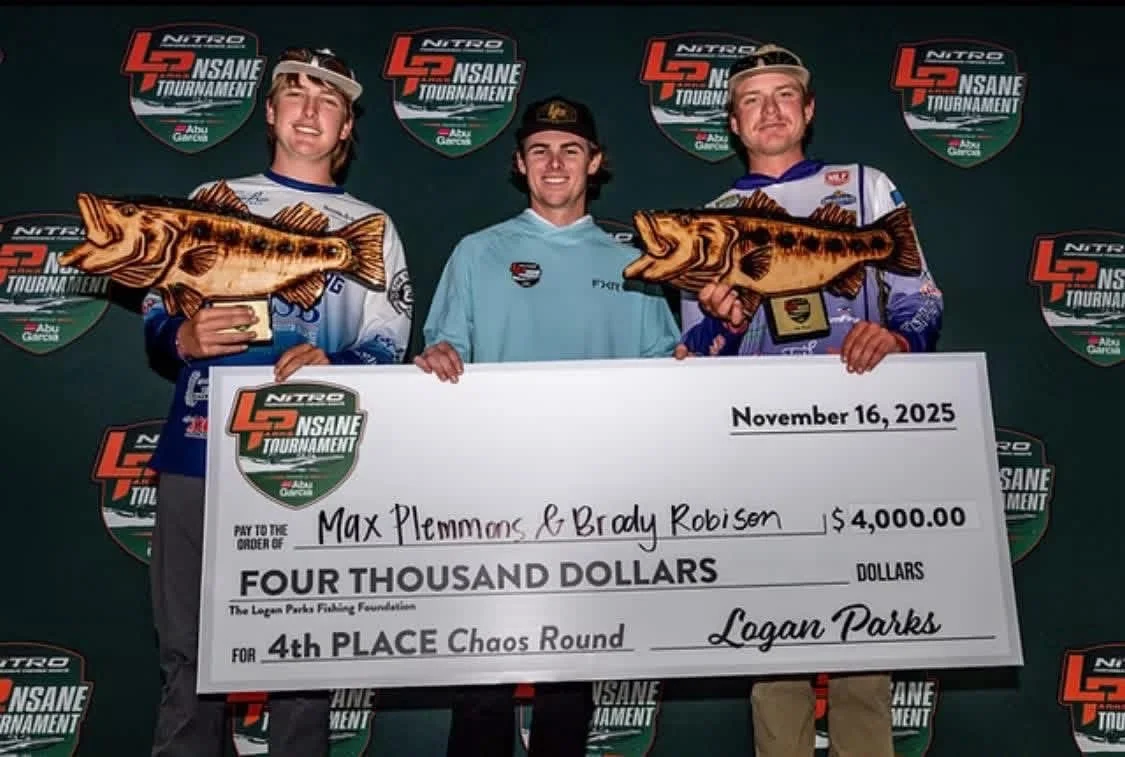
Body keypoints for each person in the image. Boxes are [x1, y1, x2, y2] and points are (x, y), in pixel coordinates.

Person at [141, 47, 412, 757]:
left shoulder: (371, 227)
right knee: (189, 658)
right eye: (295, 94)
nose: (311, 110)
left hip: (312, 458)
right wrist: (184, 335)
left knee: (301, 658)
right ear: (269, 112)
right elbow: (155, 316)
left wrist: (340, 361)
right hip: (199, 452)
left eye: (330, 101)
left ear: (348, 126)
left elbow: (389, 342)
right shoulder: (207, 200)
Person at [675, 44, 944, 757]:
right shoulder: (709, 221)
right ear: (733, 122)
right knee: (772, 639)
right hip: (761, 446)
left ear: (808, 110)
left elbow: (921, 300)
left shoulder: (864, 186)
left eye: (783, 95)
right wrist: (722, 326)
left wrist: (897, 340)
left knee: (864, 636)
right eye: (753, 100)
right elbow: (693, 356)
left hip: (858, 431)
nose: (770, 110)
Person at [415, 95, 680, 756]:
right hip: (492, 499)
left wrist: (684, 372)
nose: (554, 162)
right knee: (481, 678)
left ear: (595, 162)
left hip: (595, 500)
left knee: (570, 680)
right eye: (539, 149)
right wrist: (436, 359)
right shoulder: (477, 253)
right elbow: (445, 354)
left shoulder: (638, 261)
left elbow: (664, 372)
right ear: (518, 164)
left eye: (569, 149)